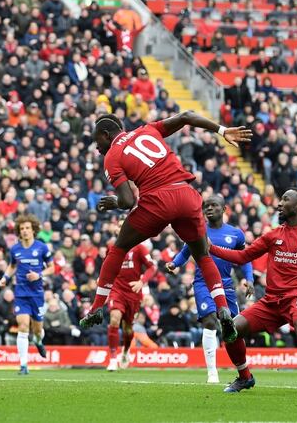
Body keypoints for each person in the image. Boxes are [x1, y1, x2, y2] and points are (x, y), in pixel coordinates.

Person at [80, 111, 252, 346]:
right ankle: (223, 309)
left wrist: (115, 202)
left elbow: (128, 201)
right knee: (202, 255)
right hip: (187, 195)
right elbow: (187, 116)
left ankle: (96, 308)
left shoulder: (112, 155)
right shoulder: (147, 129)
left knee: (118, 248)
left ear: (105, 134)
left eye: (96, 140)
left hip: (158, 200)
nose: (97, 146)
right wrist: (221, 130)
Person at [207, 188, 297, 396]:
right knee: (232, 330)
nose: (280, 203)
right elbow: (242, 256)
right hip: (271, 300)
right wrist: (210, 247)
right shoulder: (272, 235)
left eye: (285, 199)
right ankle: (245, 377)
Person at [167, 195, 253, 384]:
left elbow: (244, 258)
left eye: (214, 205)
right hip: (203, 282)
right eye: (206, 206)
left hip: (227, 285)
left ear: (224, 209)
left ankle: (242, 370)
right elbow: (186, 251)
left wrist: (249, 279)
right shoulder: (198, 230)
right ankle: (212, 373)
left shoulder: (236, 234)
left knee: (233, 327)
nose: (209, 209)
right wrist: (174, 264)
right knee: (209, 321)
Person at [0, 214, 54, 375]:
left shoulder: (42, 247)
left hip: (37, 294)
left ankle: (38, 341)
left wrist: (39, 275)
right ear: (19, 231)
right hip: (21, 293)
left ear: (33, 230)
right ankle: (23, 365)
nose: (25, 231)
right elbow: (11, 266)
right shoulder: (15, 249)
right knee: (23, 326)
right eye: (22, 228)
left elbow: (52, 268)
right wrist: (5, 277)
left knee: (37, 331)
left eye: (27, 228)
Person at [106, 242, 155, 372]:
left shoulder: (139, 248)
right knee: (114, 319)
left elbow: (151, 267)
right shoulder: (112, 247)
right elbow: (107, 267)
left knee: (128, 328)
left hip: (133, 292)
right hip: (117, 290)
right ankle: (112, 359)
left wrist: (142, 282)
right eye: (119, 227)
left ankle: (126, 351)